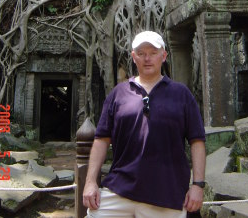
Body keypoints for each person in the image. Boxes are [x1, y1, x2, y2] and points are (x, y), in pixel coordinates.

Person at [83, 31, 206, 217]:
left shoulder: (181, 95)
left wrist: (198, 185)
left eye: (153, 52)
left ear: (163, 56)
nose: (147, 58)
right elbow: (101, 139)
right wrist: (91, 181)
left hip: (166, 195)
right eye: (141, 53)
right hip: (119, 191)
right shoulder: (119, 94)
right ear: (133, 57)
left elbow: (197, 141)